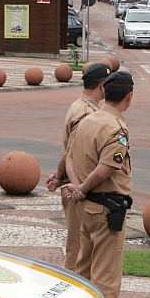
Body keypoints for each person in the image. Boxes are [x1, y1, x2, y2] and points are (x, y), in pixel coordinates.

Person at [63, 72, 138, 298]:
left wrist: (76, 186)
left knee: (83, 266)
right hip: (107, 207)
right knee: (106, 271)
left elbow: (69, 156)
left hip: (85, 208)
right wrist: (82, 186)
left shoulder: (87, 120)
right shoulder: (115, 129)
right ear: (129, 97)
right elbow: (106, 169)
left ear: (104, 90)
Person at [46, 63, 109, 271]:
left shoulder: (80, 106)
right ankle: (71, 291)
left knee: (81, 245)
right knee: (77, 247)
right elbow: (69, 153)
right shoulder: (84, 113)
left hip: (74, 184)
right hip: (76, 188)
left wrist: (58, 176)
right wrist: (69, 183)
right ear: (102, 86)